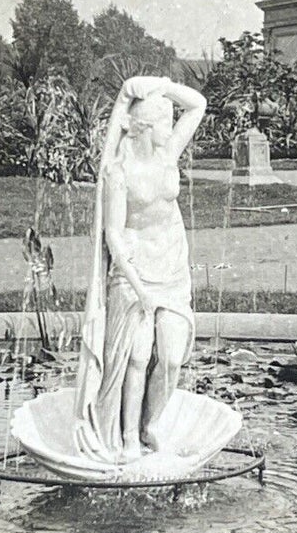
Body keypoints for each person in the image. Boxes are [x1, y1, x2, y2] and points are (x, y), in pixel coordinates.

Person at [73, 75, 208, 463]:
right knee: (134, 356)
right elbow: (113, 235)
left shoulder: (169, 153)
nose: (172, 127)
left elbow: (197, 104)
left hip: (171, 265)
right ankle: (129, 435)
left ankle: (152, 424)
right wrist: (137, 285)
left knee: (169, 356)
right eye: (165, 121)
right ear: (147, 127)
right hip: (133, 271)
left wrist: (161, 86)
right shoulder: (119, 171)